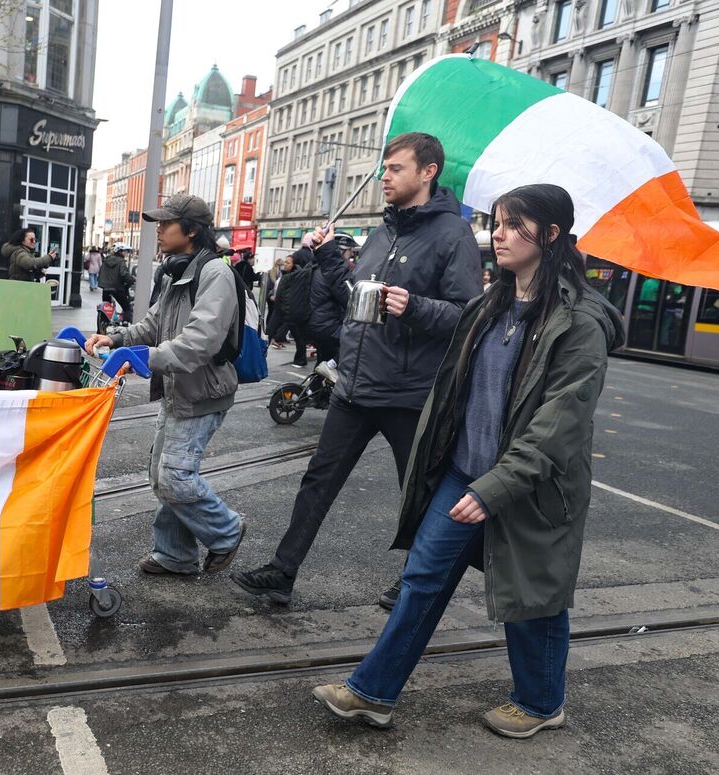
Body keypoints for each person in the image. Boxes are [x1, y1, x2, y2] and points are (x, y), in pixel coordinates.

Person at [311, 183, 624, 739]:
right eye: (497, 223)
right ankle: (371, 692)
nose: (497, 235)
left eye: (513, 225)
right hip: (464, 472)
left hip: (531, 486)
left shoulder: (579, 324)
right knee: (422, 579)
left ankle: (541, 700)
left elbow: (560, 425)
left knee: (533, 598)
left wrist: (496, 487)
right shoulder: (490, 304)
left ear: (551, 235)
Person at [231, 132, 482, 607]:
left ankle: (416, 583)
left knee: (419, 494)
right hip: (355, 384)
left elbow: (467, 314)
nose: (384, 177)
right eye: (384, 169)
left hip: (409, 393)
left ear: (428, 172)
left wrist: (415, 307)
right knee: (317, 480)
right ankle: (283, 572)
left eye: (395, 169)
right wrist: (325, 254)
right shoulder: (382, 232)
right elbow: (356, 296)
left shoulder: (453, 235)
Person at [83, 194, 245, 576]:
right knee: (162, 472)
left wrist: (144, 358)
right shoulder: (177, 271)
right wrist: (119, 339)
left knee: (174, 475)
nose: (158, 231)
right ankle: (175, 553)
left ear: (190, 230)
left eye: (166, 224)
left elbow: (199, 343)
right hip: (178, 388)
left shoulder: (214, 274)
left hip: (202, 391)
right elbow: (153, 324)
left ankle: (227, 530)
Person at [309, 232, 350, 365]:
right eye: (349, 250)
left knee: (322, 363)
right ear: (341, 251)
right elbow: (347, 299)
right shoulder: (331, 274)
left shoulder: (318, 268)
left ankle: (315, 385)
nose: (351, 254)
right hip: (329, 327)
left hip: (317, 324)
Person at [276, 249, 313, 366]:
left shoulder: (298, 277)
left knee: (299, 338)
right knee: (298, 337)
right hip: (287, 312)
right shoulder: (286, 275)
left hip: (294, 312)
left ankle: (300, 359)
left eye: (288, 262)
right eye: (285, 262)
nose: (285, 264)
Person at [99, 244, 135, 323]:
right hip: (117, 288)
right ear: (120, 252)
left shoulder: (106, 260)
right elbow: (124, 274)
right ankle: (126, 324)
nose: (126, 253)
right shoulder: (121, 262)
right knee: (126, 308)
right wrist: (131, 280)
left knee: (105, 308)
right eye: (125, 251)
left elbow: (101, 272)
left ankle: (102, 325)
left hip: (106, 288)